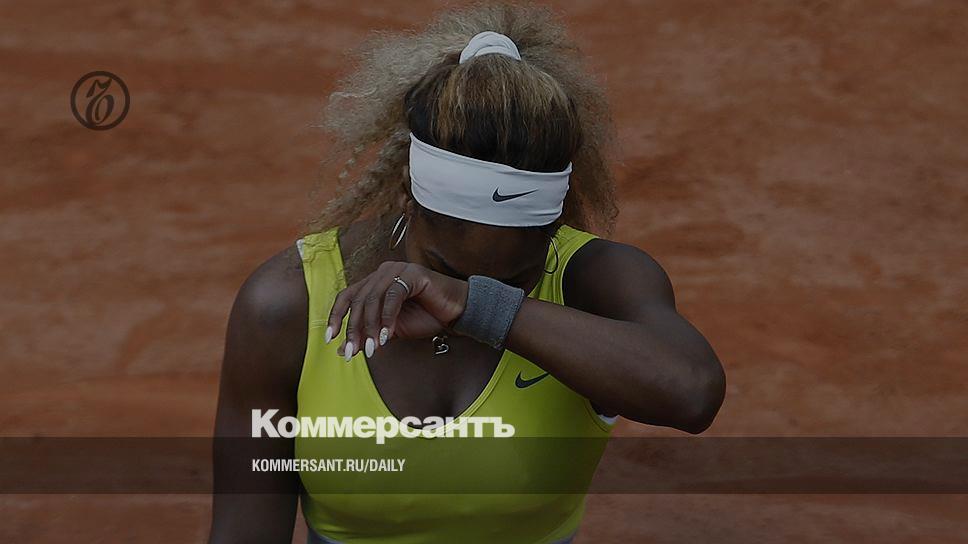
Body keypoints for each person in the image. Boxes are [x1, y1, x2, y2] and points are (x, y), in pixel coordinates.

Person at [209, 4, 725, 543]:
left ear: (555, 223)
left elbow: (692, 394)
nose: (469, 286)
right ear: (407, 193)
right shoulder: (289, 303)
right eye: (446, 268)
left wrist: (476, 306)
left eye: (516, 278)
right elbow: (245, 532)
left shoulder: (593, 279)